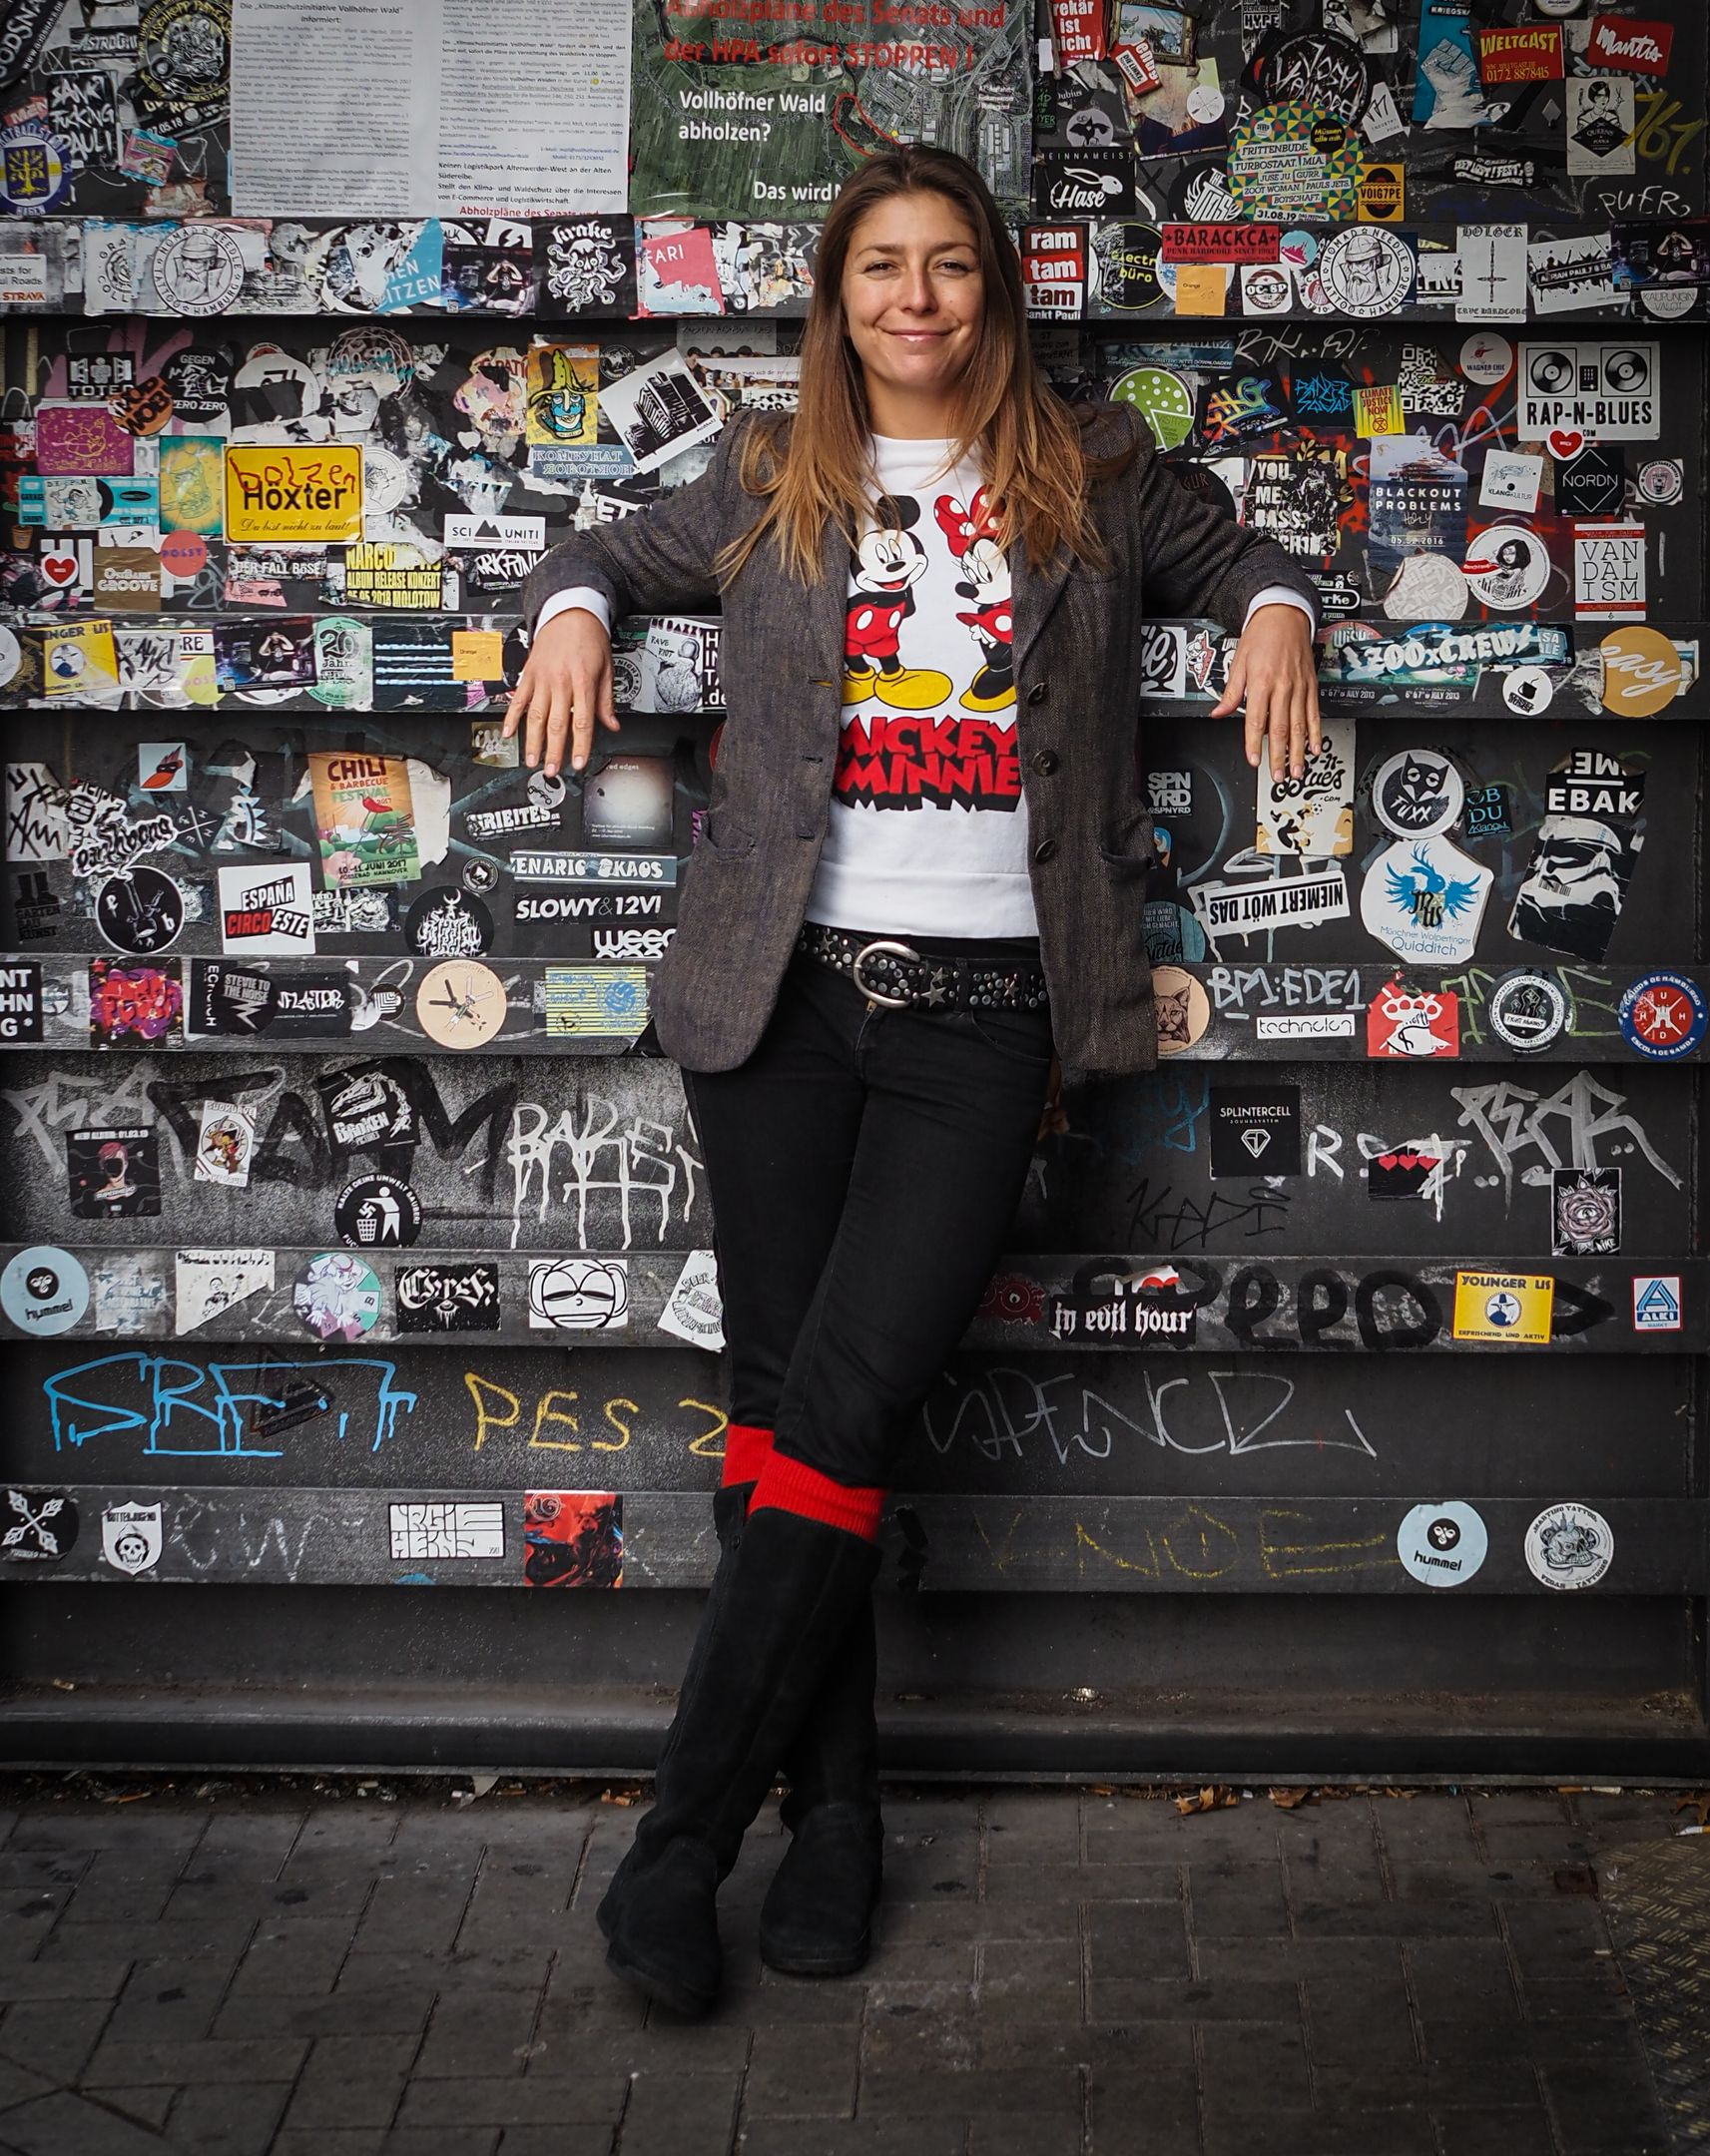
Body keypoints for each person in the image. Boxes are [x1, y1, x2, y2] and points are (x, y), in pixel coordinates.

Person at [505, 145, 1320, 2018]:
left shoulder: (1093, 468)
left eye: (948, 266)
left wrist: (1275, 609)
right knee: (789, 1415)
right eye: (881, 267)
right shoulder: (767, 466)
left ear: (992, 290)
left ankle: (678, 1842)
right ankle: (839, 1821)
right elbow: (589, 553)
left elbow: (1247, 555)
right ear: (837, 292)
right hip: (780, 1000)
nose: (915, 300)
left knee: (846, 1403)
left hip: (985, 1015)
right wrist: (570, 616)